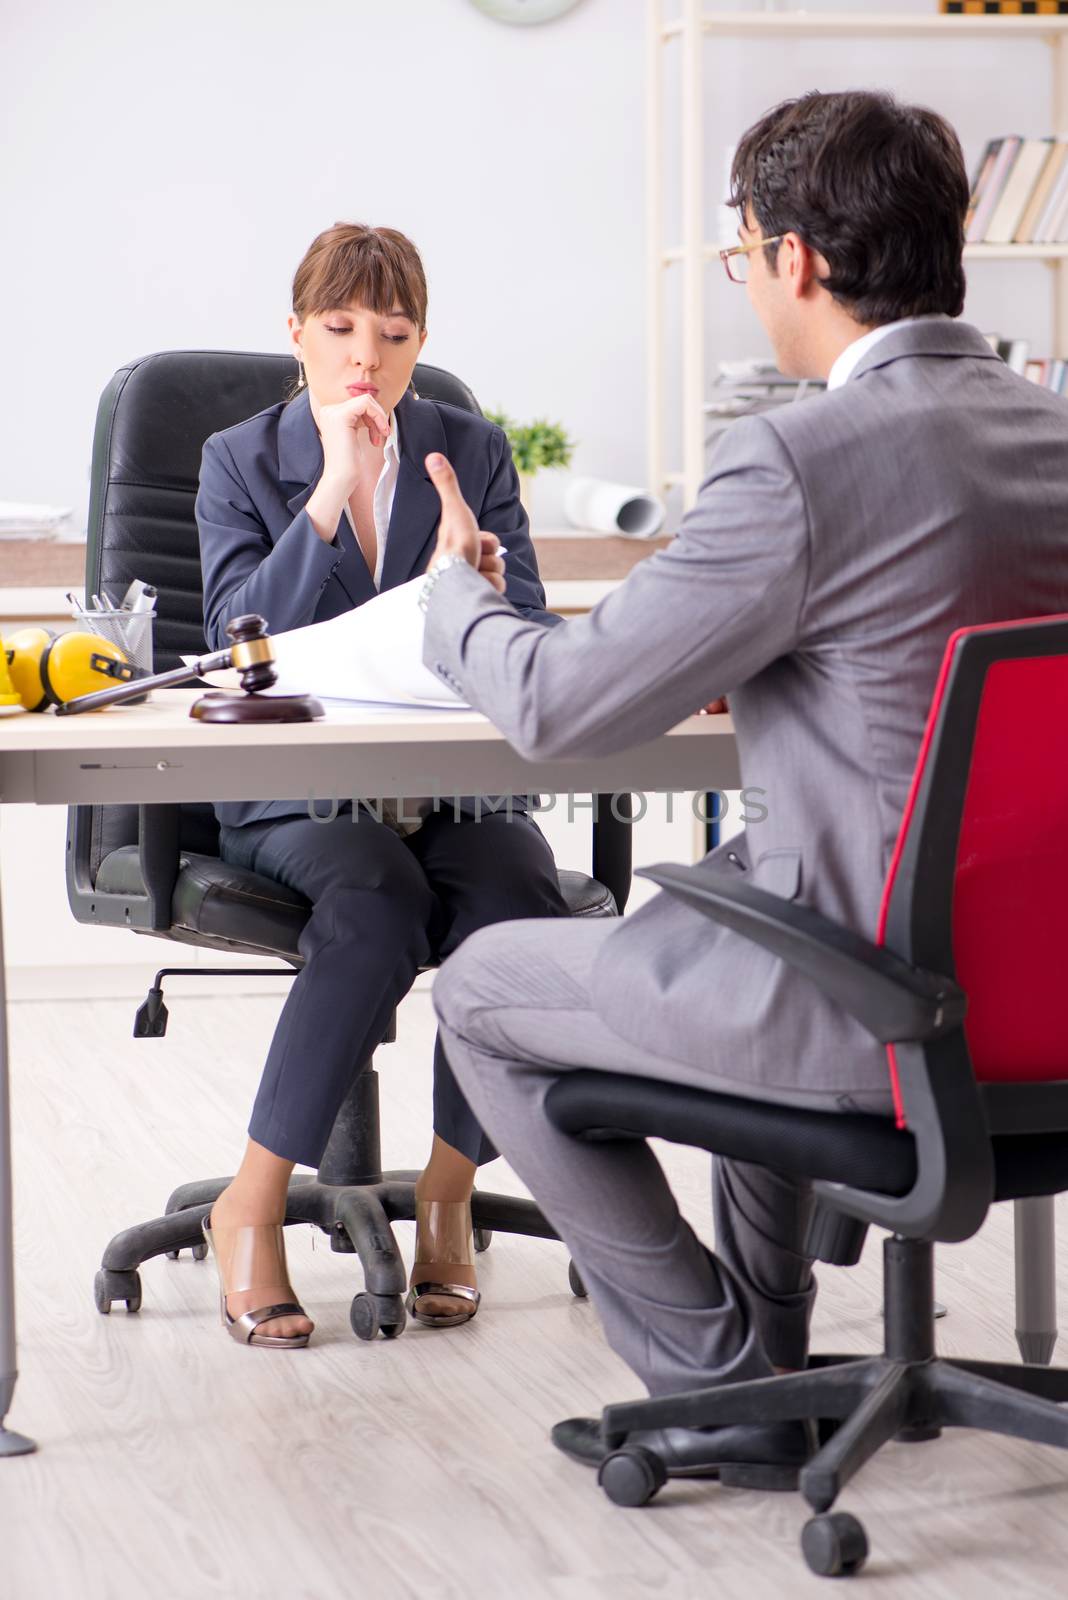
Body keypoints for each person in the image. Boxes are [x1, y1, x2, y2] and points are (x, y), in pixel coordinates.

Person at [415, 90, 1068, 1479]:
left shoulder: (795, 457)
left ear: (797, 262)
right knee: (727, 901)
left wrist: (448, 606)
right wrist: (776, 658)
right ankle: (771, 1360)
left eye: (743, 257)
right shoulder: (1050, 434)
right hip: (1039, 999)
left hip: (880, 1014)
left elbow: (559, 706)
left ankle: (720, 1389)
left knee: (482, 990)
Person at [195, 222, 566, 1348]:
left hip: (449, 787)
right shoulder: (239, 461)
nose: (368, 354)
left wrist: (484, 594)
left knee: (517, 902)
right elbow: (231, 642)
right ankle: (247, 1203)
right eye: (342, 327)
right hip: (298, 794)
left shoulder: (471, 447)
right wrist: (330, 495)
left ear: (420, 343)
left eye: (395, 333)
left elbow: (534, 641)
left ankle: (450, 1186)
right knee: (375, 907)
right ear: (296, 334)